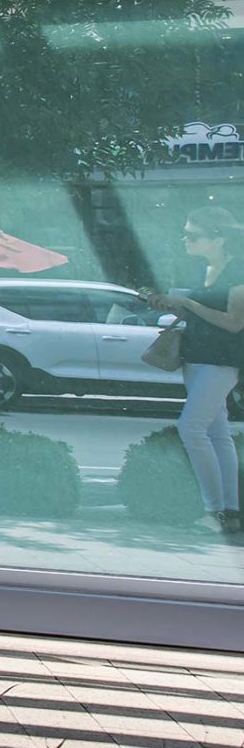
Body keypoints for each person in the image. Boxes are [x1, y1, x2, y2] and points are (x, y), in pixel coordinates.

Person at [148, 204, 244, 536]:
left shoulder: (238, 270)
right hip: (196, 358)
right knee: (218, 434)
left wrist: (188, 304)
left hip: (222, 361)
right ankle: (228, 512)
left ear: (218, 238)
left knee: (191, 428)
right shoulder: (203, 270)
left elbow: (234, 323)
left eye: (193, 235)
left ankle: (214, 510)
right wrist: (170, 302)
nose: (185, 240)